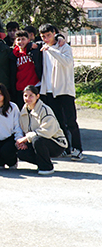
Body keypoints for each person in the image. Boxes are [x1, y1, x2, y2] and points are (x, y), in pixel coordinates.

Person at [38, 23, 83, 160]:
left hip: (65, 90)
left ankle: (77, 148)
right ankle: (66, 147)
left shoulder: (64, 47)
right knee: (58, 121)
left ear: (54, 33)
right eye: (43, 37)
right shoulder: (43, 48)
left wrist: (52, 49)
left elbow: (67, 62)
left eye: (49, 35)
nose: (46, 39)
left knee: (71, 121)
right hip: (49, 91)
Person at [16, 85, 66, 175]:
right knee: (21, 153)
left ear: (37, 96)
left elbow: (47, 131)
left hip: (56, 143)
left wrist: (26, 138)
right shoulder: (23, 111)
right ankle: (42, 163)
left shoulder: (45, 110)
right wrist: (24, 143)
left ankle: (47, 167)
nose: (28, 98)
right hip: (35, 141)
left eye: (31, 95)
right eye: (25, 96)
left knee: (37, 139)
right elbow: (24, 129)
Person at [12, 30, 40, 107]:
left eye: (23, 39)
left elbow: (42, 44)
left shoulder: (34, 50)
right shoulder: (13, 55)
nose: (21, 41)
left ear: (28, 40)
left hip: (34, 85)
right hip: (20, 87)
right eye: (18, 39)